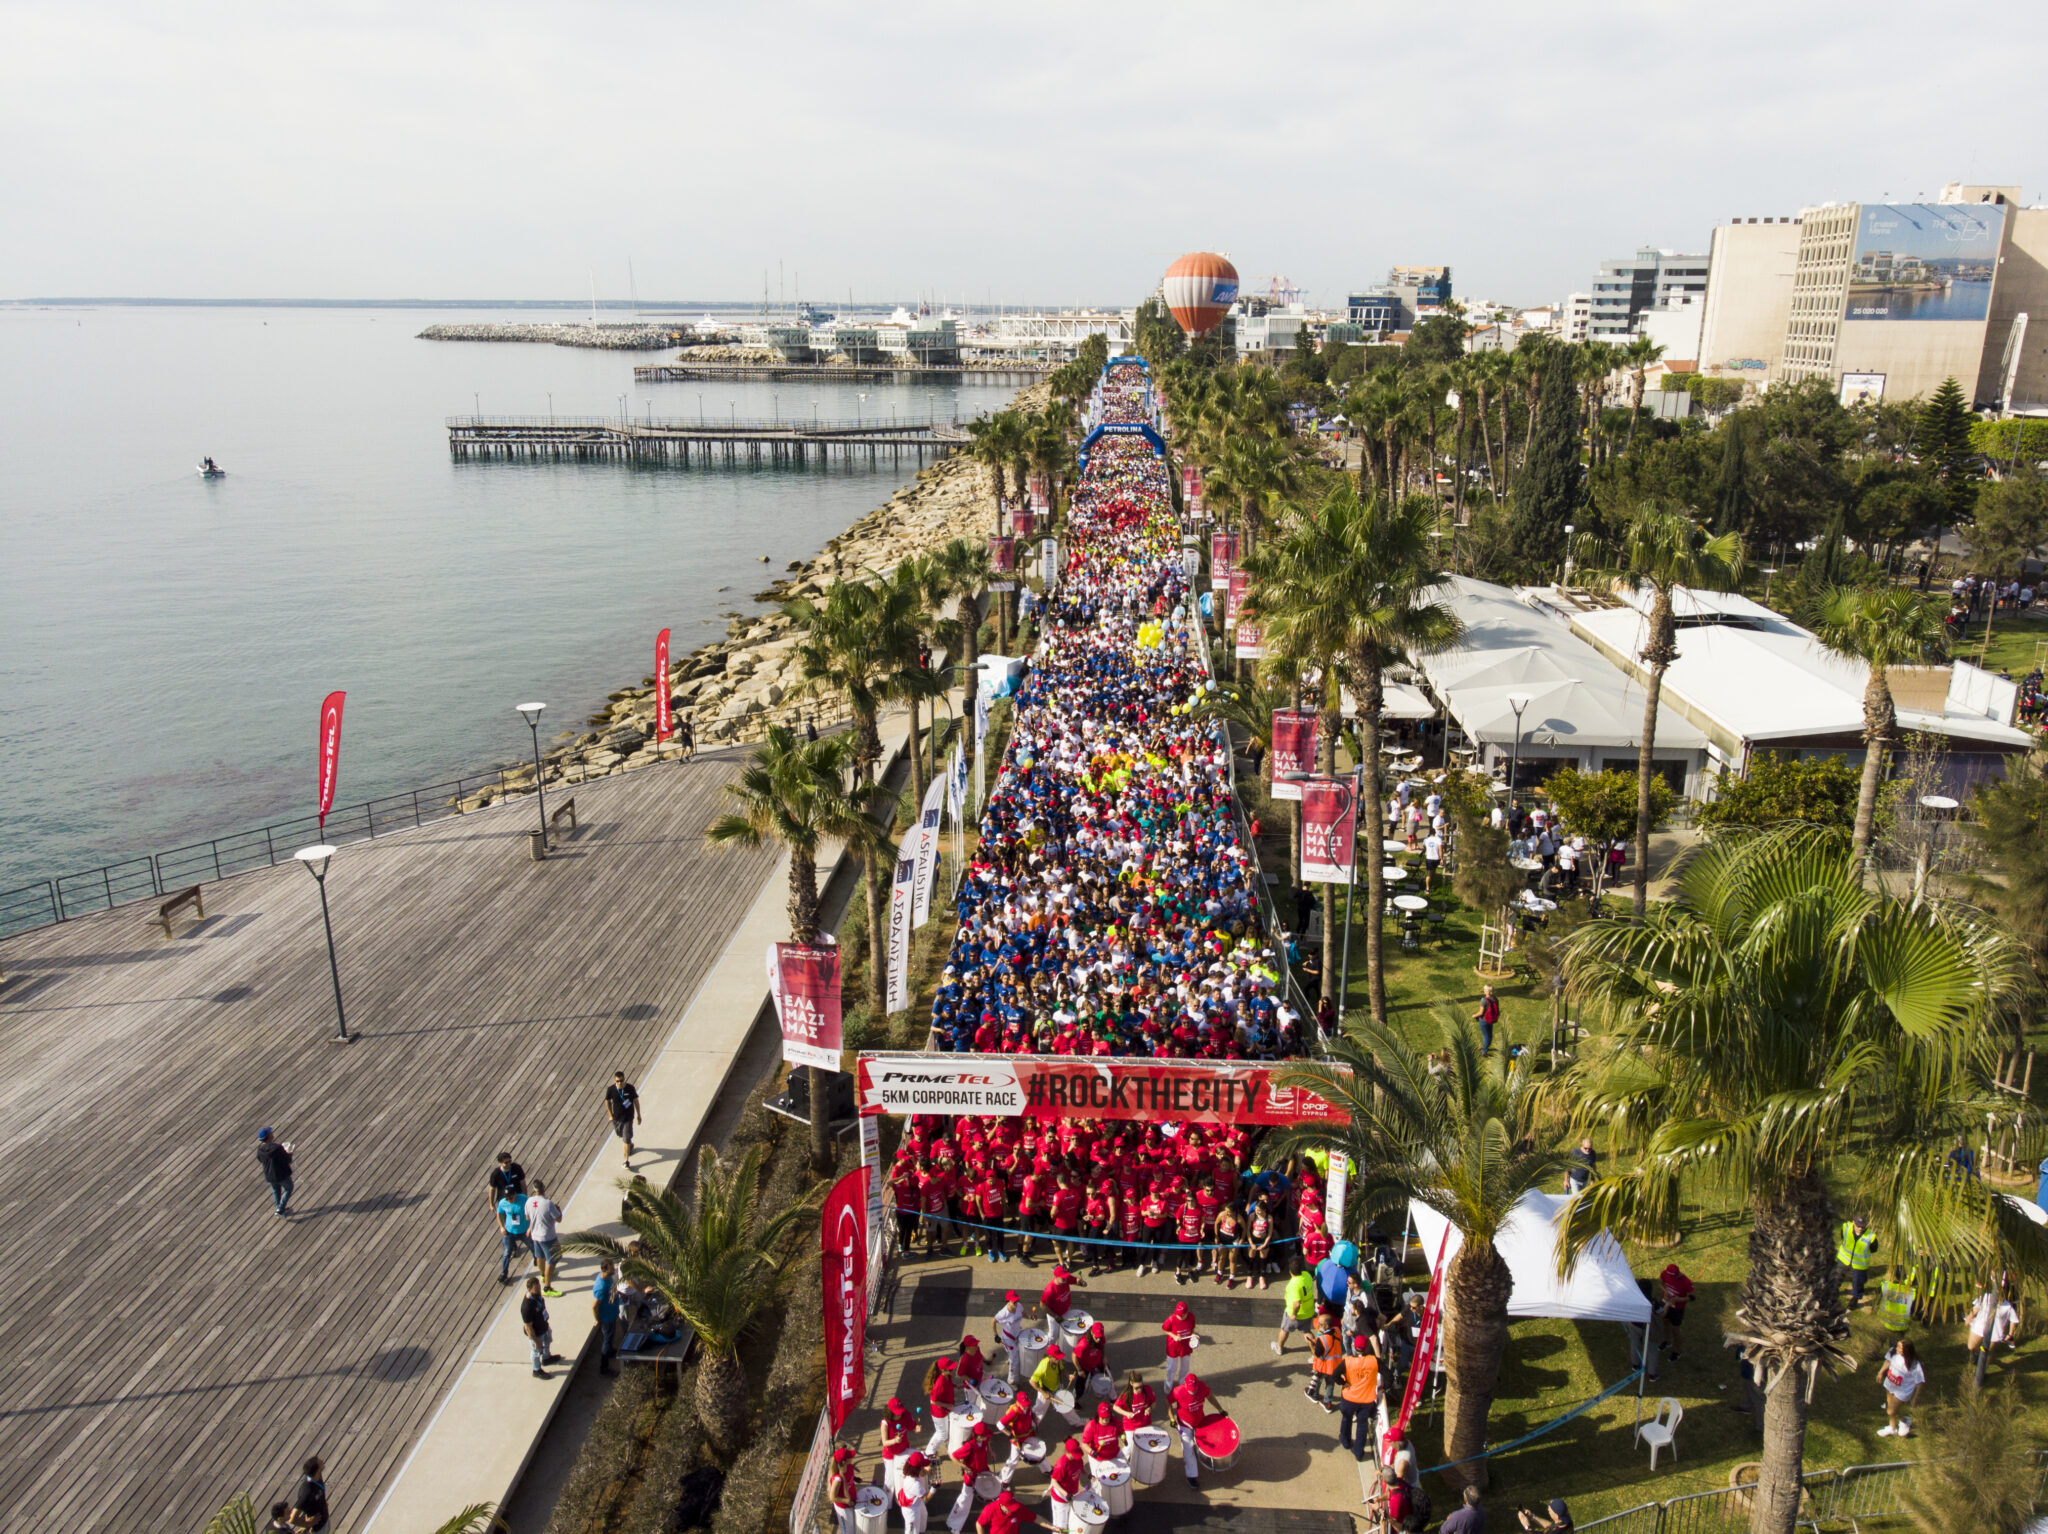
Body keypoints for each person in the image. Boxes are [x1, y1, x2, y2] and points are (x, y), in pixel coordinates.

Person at [1335, 1334, 1378, 1460]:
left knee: (1346, 1419)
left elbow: (1335, 1375)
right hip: (1366, 1399)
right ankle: (1359, 1453)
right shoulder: (1373, 1361)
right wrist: (1383, 1387)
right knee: (1362, 1425)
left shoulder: (1347, 1361)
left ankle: (1345, 1441)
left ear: (1354, 1347)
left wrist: (1344, 1383)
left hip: (1349, 1397)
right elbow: (1388, 1376)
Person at [1170, 1370, 1213, 1489]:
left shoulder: (1202, 1387)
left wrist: (1220, 1409)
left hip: (1200, 1420)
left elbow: (1210, 1397)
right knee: (1188, 1449)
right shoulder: (1178, 1392)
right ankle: (1191, 1476)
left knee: (1204, 1441)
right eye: (1190, 1389)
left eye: (1194, 1389)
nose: (1192, 1391)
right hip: (1184, 1424)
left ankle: (1204, 1456)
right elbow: (1168, 1403)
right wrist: (1171, 1418)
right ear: (1185, 1385)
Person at [1877, 1339, 1924, 1437]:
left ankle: (1904, 1421)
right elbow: (1887, 1361)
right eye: (1897, 1346)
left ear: (1906, 1350)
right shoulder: (1893, 1352)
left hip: (1903, 1390)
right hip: (1890, 1384)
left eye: (1899, 1347)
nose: (1897, 1348)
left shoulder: (1913, 1364)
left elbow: (1920, 1382)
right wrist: (1881, 1372)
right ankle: (1892, 1427)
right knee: (1890, 1407)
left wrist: (1915, 1398)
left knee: (1891, 1410)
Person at [526, 1180, 564, 1297]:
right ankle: (547, 1287)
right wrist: (558, 1209)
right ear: (544, 1189)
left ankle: (543, 1274)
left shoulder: (529, 1201)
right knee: (551, 1261)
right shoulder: (548, 1204)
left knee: (539, 1257)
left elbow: (528, 1217)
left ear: (534, 1190)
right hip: (548, 1237)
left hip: (535, 1235)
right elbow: (558, 1219)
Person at [1966, 1285, 2021, 1366]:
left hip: (1994, 1332)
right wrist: (1970, 1316)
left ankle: (1982, 1373)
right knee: (1971, 1346)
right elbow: (1976, 1307)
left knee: (1987, 1352)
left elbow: (2013, 1320)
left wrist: (2010, 1334)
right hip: (1979, 1326)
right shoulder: (1986, 1297)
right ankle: (1976, 1354)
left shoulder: (2008, 1306)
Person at [1274, 1257, 1315, 1354]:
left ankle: (1279, 1347)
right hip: (1308, 1310)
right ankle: (1315, 1353)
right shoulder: (1307, 1276)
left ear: (1290, 1272)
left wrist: (1293, 1314)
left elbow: (1296, 1303)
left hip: (1296, 1314)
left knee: (1284, 1330)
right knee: (1307, 1332)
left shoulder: (1293, 1285)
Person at [1836, 1215, 1877, 1308]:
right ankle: (1833, 1292)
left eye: (1862, 1226)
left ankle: (1854, 1300)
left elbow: (1874, 1248)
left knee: (1858, 1283)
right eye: (1858, 1226)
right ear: (1853, 1223)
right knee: (1837, 1276)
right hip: (1843, 1259)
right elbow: (1843, 1237)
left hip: (1860, 1265)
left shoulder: (1871, 1236)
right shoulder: (1845, 1228)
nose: (1860, 1228)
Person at [1045, 1438, 1086, 1531]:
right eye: (1074, 1454)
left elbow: (1080, 1467)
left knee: (1072, 1518)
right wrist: (1065, 1494)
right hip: (1060, 1498)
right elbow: (1053, 1482)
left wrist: (1088, 1475)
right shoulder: (1061, 1465)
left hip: (1072, 1494)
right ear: (1067, 1452)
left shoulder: (1077, 1458)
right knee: (1061, 1527)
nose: (1077, 1456)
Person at [1307, 1307, 1343, 1412]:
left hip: (1325, 1366)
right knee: (1330, 1384)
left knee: (1319, 1379)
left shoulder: (1322, 1339)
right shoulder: (1336, 1331)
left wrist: (1311, 1345)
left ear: (1326, 1326)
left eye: (1320, 1325)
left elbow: (1317, 1353)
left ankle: (1315, 1394)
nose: (1318, 1327)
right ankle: (1328, 1402)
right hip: (1335, 1365)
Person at [1656, 1263, 1693, 1362]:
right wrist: (1665, 1291)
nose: (1670, 1278)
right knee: (1665, 1323)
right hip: (1666, 1302)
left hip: (1677, 1308)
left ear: (1677, 1274)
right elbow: (1660, 1282)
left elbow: (1691, 1297)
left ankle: (1677, 1352)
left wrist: (1678, 1299)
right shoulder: (1665, 1273)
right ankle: (1667, 1342)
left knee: (1675, 1331)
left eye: (1672, 1276)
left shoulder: (1686, 1282)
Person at [496, 1182, 531, 1284]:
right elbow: (499, 1214)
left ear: (515, 1194)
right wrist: (502, 1227)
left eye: (510, 1198)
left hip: (524, 1231)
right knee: (506, 1253)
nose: (509, 1200)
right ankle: (504, 1273)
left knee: (534, 1247)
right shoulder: (503, 1202)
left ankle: (540, 1263)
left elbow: (532, 1208)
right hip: (510, 1232)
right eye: (507, 1198)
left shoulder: (523, 1199)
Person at [521, 1275, 556, 1378]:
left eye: (539, 1287)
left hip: (543, 1326)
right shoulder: (527, 1307)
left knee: (548, 1340)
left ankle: (546, 1358)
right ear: (529, 1289)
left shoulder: (538, 1296)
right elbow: (528, 1327)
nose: (539, 1290)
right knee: (536, 1351)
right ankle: (536, 1370)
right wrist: (536, 1341)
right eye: (536, 1289)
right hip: (536, 1332)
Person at [256, 1127, 295, 1217]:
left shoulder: (260, 1149)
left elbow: (260, 1159)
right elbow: (287, 1160)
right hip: (281, 1174)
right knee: (289, 1188)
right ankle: (280, 1209)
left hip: (269, 1175)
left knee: (276, 1190)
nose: (272, 1133)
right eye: (271, 1132)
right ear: (269, 1136)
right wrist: (289, 1153)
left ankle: (279, 1208)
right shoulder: (277, 1148)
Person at [607, 1071, 643, 1164]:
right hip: (617, 1118)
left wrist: (639, 1115)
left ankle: (626, 1160)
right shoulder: (611, 1090)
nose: (620, 1083)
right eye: (617, 1081)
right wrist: (610, 1115)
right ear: (614, 1080)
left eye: (621, 1080)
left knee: (625, 1138)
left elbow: (636, 1101)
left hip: (628, 1117)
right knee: (621, 1135)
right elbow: (607, 1101)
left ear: (624, 1079)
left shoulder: (630, 1088)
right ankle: (630, 1145)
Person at [593, 1258, 622, 1375]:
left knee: (611, 1335)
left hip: (612, 1313)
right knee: (607, 1339)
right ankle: (604, 1367)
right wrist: (597, 1320)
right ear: (605, 1269)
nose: (614, 1269)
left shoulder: (609, 1278)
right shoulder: (601, 1287)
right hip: (606, 1318)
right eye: (611, 1267)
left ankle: (610, 1351)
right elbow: (594, 1306)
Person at [1162, 1300, 1196, 1389]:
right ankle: (1169, 1383)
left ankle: (1182, 1383)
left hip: (1185, 1345)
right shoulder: (1171, 1319)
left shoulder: (1191, 1317)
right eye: (1178, 1314)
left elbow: (1192, 1328)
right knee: (1171, 1367)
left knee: (1185, 1367)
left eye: (1182, 1315)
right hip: (1173, 1345)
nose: (1179, 1316)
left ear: (1186, 1313)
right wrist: (1174, 1336)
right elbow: (1165, 1329)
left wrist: (1193, 1335)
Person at [994, 1291, 1027, 1385]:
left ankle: (1010, 1360)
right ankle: (1011, 1381)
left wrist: (1031, 1317)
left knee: (1016, 1354)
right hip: (1008, 1339)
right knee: (1015, 1360)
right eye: (1014, 1302)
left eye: (1017, 1301)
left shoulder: (1019, 1306)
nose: (1016, 1303)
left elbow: (1023, 1313)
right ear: (1008, 1301)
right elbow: (993, 1321)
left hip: (1018, 1334)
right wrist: (995, 1335)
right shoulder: (1002, 1314)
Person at [897, 1451, 933, 1534]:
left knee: (924, 1515)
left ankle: (922, 1532)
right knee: (913, 1530)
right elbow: (926, 1498)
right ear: (917, 1469)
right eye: (922, 1466)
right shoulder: (914, 1484)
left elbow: (922, 1473)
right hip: (911, 1511)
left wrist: (926, 1469)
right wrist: (934, 1489)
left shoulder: (910, 1470)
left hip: (916, 1502)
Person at [291, 1457, 330, 1532]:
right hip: (318, 1529)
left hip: (325, 1520)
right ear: (317, 1470)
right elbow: (292, 1519)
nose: (323, 1460)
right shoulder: (307, 1493)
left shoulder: (318, 1477)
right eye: (320, 1462)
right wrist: (308, 1524)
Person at [829, 1447, 860, 1534]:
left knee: (853, 1526)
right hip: (844, 1508)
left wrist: (855, 1478)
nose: (852, 1457)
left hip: (852, 1501)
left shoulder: (849, 1466)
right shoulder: (837, 1479)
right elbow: (832, 1497)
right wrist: (846, 1500)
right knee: (847, 1530)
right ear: (844, 1461)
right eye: (850, 1456)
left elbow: (850, 1477)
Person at [1473, 986, 1500, 1052]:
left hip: (1484, 1020)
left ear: (1488, 991)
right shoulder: (1495, 999)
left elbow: (1481, 1013)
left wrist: (1474, 1016)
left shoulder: (1484, 1001)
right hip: (1491, 1019)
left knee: (1486, 1036)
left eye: (1485, 989)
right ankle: (1485, 1046)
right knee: (1489, 1035)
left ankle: (1484, 1051)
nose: (1484, 990)